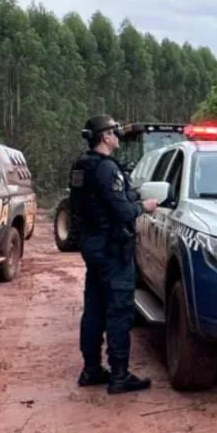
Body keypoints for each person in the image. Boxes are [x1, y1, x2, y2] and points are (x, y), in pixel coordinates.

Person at [69, 114, 158, 394]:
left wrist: (130, 199)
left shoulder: (82, 166)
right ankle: (119, 375)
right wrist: (144, 207)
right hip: (113, 248)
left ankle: (91, 369)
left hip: (93, 245)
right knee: (119, 311)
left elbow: (91, 203)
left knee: (94, 309)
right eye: (114, 132)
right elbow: (122, 211)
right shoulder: (107, 168)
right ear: (106, 136)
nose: (118, 136)